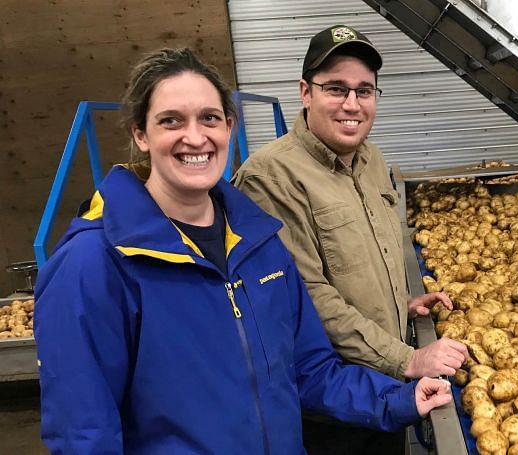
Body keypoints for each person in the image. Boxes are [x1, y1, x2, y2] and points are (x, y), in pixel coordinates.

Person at [33, 47, 451, 454]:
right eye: (171, 120)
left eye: (210, 118)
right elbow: (84, 435)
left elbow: (309, 370)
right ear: (140, 134)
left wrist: (398, 400)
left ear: (229, 129)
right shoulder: (94, 264)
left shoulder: (259, 242)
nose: (195, 137)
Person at [232, 25, 469, 453]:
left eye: (365, 91)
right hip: (333, 409)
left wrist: (398, 303)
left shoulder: (372, 159)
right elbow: (305, 296)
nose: (352, 104)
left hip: (389, 394)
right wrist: (408, 358)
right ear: (305, 92)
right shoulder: (270, 178)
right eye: (336, 88)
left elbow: (364, 257)